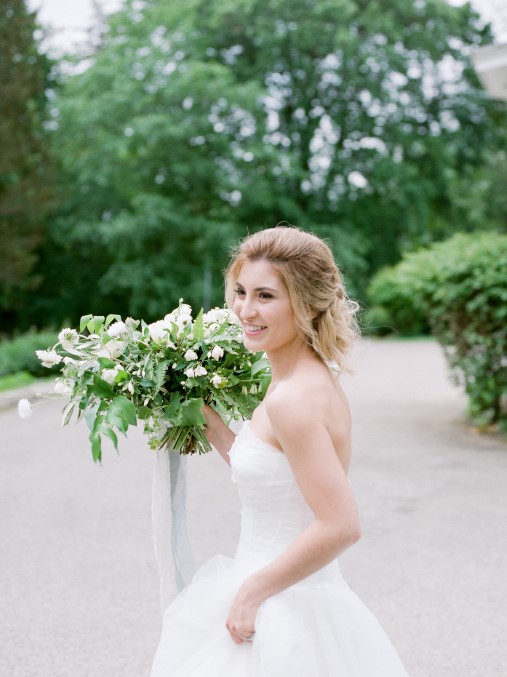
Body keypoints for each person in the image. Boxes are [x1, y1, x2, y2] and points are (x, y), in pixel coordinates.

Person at [151, 225, 410, 676]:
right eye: (240, 292)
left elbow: (340, 525)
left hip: (280, 602)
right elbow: (277, 477)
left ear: (306, 304)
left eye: (266, 296)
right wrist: (209, 422)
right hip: (293, 589)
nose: (245, 310)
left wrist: (253, 592)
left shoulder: (294, 399)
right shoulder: (301, 378)